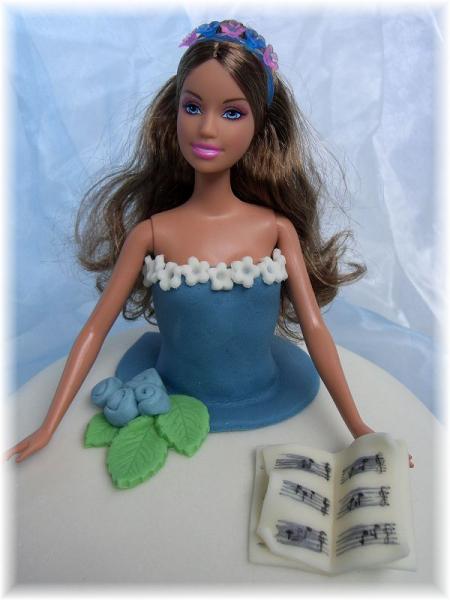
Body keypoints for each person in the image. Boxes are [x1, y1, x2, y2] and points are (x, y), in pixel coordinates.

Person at [6, 19, 414, 466]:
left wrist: (357, 425)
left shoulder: (276, 230)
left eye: (232, 113)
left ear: (260, 125)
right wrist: (48, 426)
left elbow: (314, 327)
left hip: (265, 395)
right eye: (193, 107)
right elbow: (95, 328)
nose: (206, 129)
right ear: (174, 112)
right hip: (171, 391)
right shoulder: (152, 233)